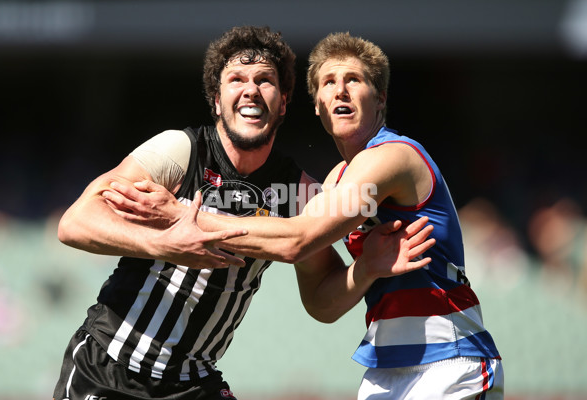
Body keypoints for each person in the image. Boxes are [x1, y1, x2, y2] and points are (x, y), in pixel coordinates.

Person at [107, 32, 504, 399]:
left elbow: (296, 239)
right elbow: (320, 303)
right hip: (387, 369)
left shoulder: (393, 157)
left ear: (380, 98)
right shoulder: (333, 181)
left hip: (450, 358)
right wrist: (365, 270)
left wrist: (181, 214)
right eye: (328, 82)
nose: (341, 90)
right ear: (316, 105)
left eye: (354, 80)